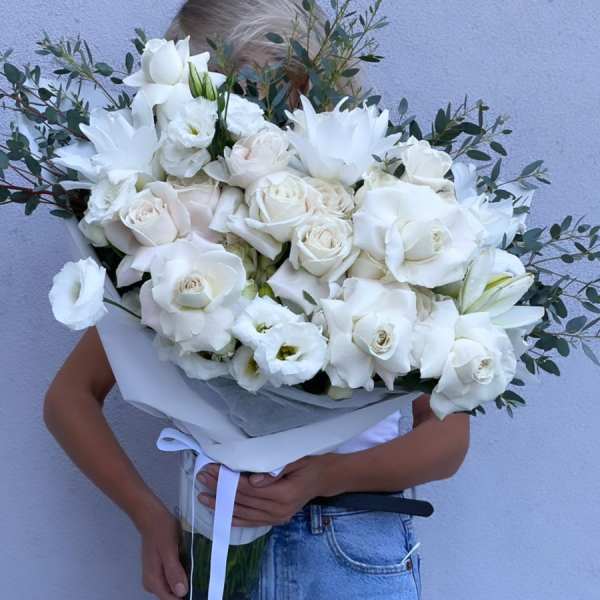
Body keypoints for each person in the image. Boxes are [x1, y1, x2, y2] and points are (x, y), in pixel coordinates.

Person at [45, 2, 470, 599]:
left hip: (348, 539)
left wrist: (324, 476)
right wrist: (148, 516)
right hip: (215, 535)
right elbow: (69, 398)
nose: (245, 111)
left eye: (259, 87)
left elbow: (448, 441)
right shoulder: (186, 239)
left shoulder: (385, 214)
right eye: (222, 91)